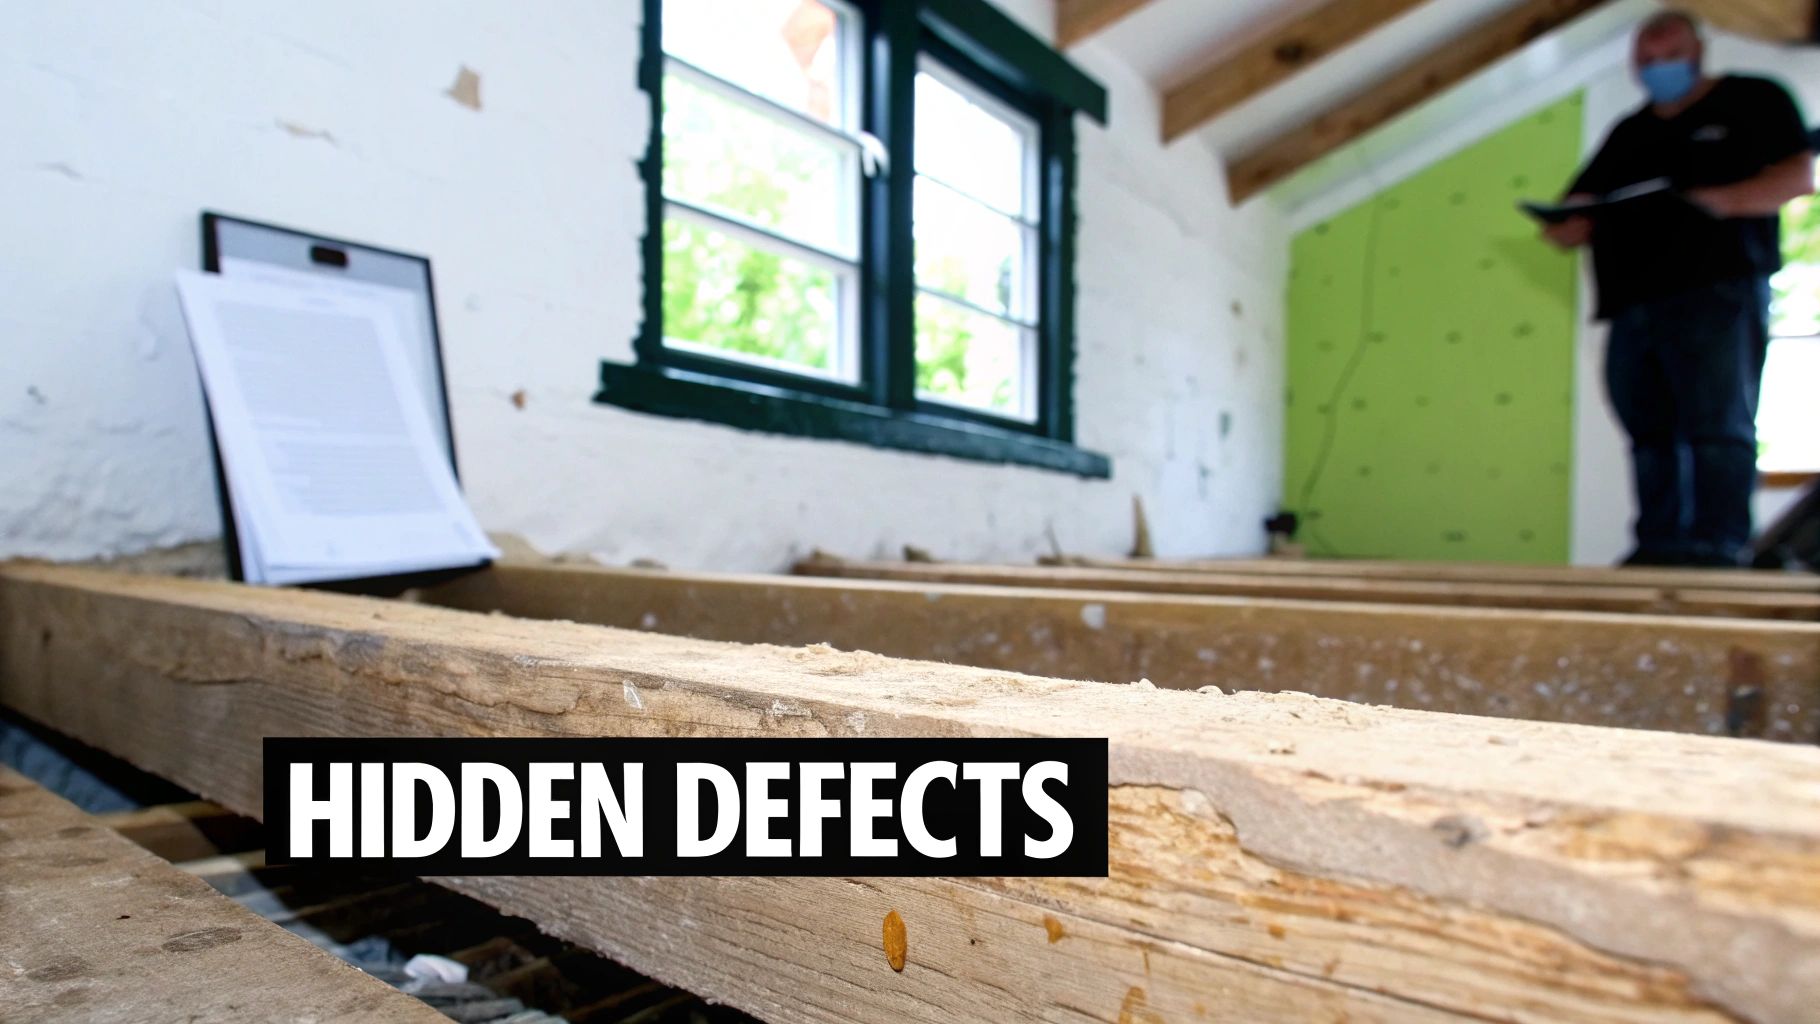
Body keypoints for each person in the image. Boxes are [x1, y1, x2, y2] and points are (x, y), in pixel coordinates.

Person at [1544, 10, 1814, 566]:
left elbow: (1797, 178)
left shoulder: (1753, 101)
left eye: (1669, 56)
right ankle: (1659, 546)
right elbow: (1573, 216)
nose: (1657, 68)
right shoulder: (1630, 132)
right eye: (1646, 59)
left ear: (1697, 51)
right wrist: (1567, 221)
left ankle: (1720, 547)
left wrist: (1710, 202)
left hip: (1718, 291)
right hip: (1634, 305)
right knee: (1650, 432)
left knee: (1718, 424)